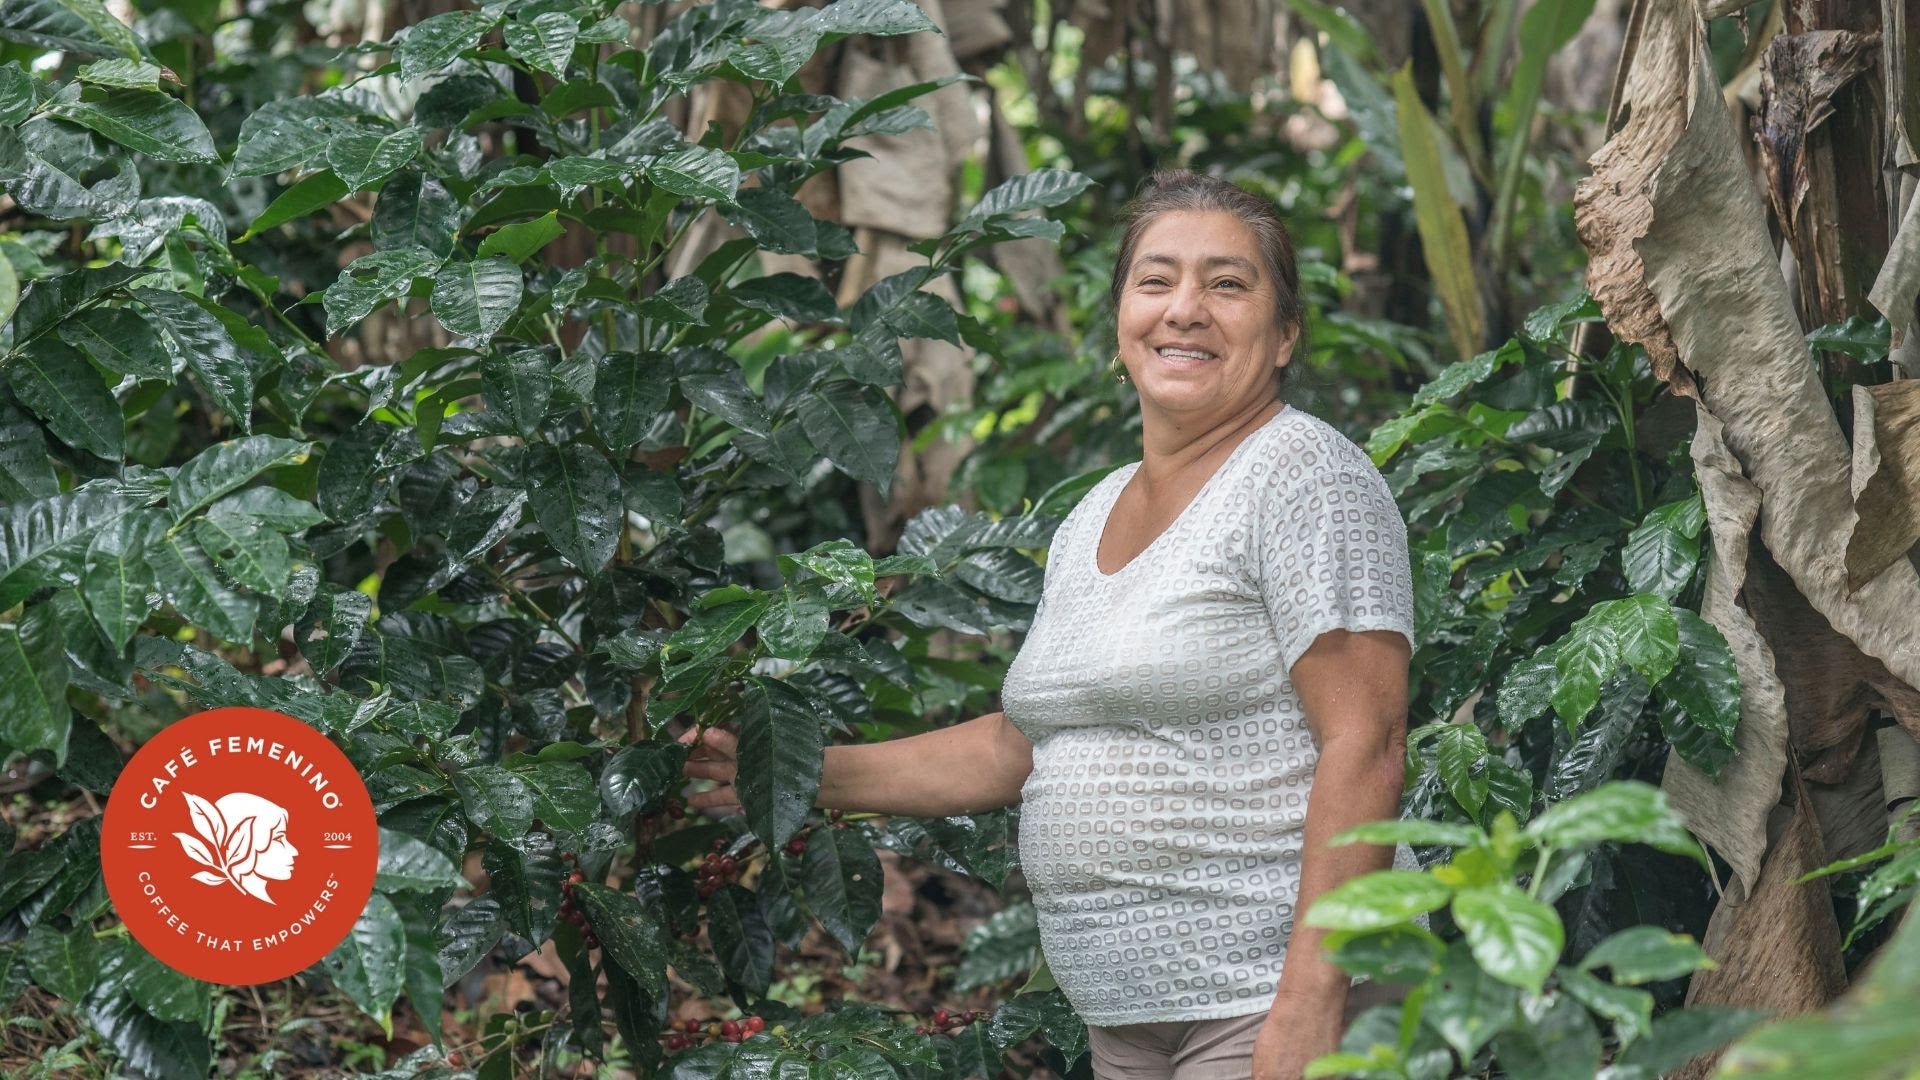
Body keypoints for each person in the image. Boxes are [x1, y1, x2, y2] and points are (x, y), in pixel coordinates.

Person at [679, 169, 1415, 1080]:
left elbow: (1367, 741)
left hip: (1265, 992)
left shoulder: (1304, 476)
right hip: (1131, 1012)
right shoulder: (1092, 516)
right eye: (1155, 281)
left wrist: (1311, 1002)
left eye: (1227, 285)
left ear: (1284, 335)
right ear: (1119, 323)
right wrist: (788, 777)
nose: (1184, 308)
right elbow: (1021, 746)